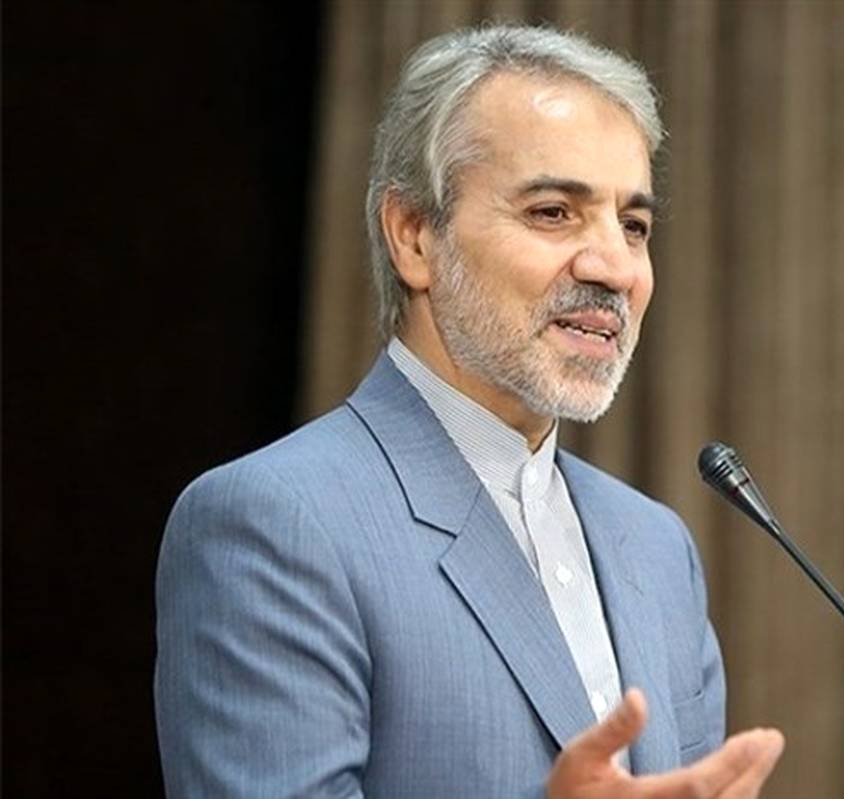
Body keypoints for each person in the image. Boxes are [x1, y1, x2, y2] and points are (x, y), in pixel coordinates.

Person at [155, 24, 784, 798]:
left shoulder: (656, 548)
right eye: (553, 212)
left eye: (634, 226)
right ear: (414, 236)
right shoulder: (273, 522)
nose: (615, 267)